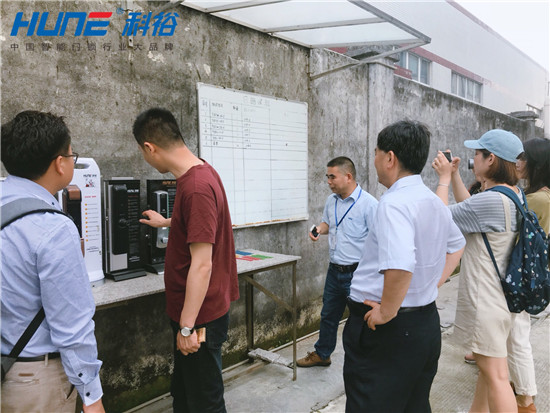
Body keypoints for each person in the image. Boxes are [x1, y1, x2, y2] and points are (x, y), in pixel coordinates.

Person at [344, 120, 465, 411]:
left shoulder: (394, 203)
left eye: (376, 152)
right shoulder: (432, 201)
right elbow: (457, 245)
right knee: (414, 404)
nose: (374, 159)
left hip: (388, 331)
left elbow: (400, 265)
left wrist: (386, 311)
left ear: (390, 158)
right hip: (424, 324)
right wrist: (434, 282)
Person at [133, 108, 239, 413]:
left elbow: (202, 265)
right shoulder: (201, 171)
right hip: (196, 314)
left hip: (199, 318)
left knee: (205, 403)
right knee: (183, 395)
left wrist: (187, 328)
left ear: (150, 148)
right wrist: (167, 222)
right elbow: (200, 222)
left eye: (143, 152)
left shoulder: (195, 187)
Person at [0, 111, 105, 413]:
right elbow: (72, 326)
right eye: (72, 155)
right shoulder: (54, 228)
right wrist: (92, 397)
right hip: (34, 380)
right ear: (60, 163)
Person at [433, 128, 525, 412]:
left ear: (491, 159)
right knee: (489, 372)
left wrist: (444, 178)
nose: (474, 159)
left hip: (486, 299)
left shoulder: (492, 200)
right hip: (501, 298)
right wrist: (457, 176)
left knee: (497, 376)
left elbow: (438, 218)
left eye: (478, 153)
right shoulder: (513, 194)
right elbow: (470, 209)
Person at [296, 157, 378, 368]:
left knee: (361, 319)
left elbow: (379, 240)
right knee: (328, 315)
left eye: (332, 177)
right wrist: (319, 230)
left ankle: (367, 361)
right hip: (334, 270)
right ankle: (323, 354)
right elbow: (327, 224)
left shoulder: (369, 204)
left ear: (348, 176)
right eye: (327, 177)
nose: (328, 181)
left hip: (358, 273)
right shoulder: (331, 201)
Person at [509, 137, 550, 413]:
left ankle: (525, 399)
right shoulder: (540, 194)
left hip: (526, 274)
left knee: (517, 335)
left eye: (523, 158)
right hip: (532, 273)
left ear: (537, 164)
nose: (518, 162)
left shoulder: (537, 199)